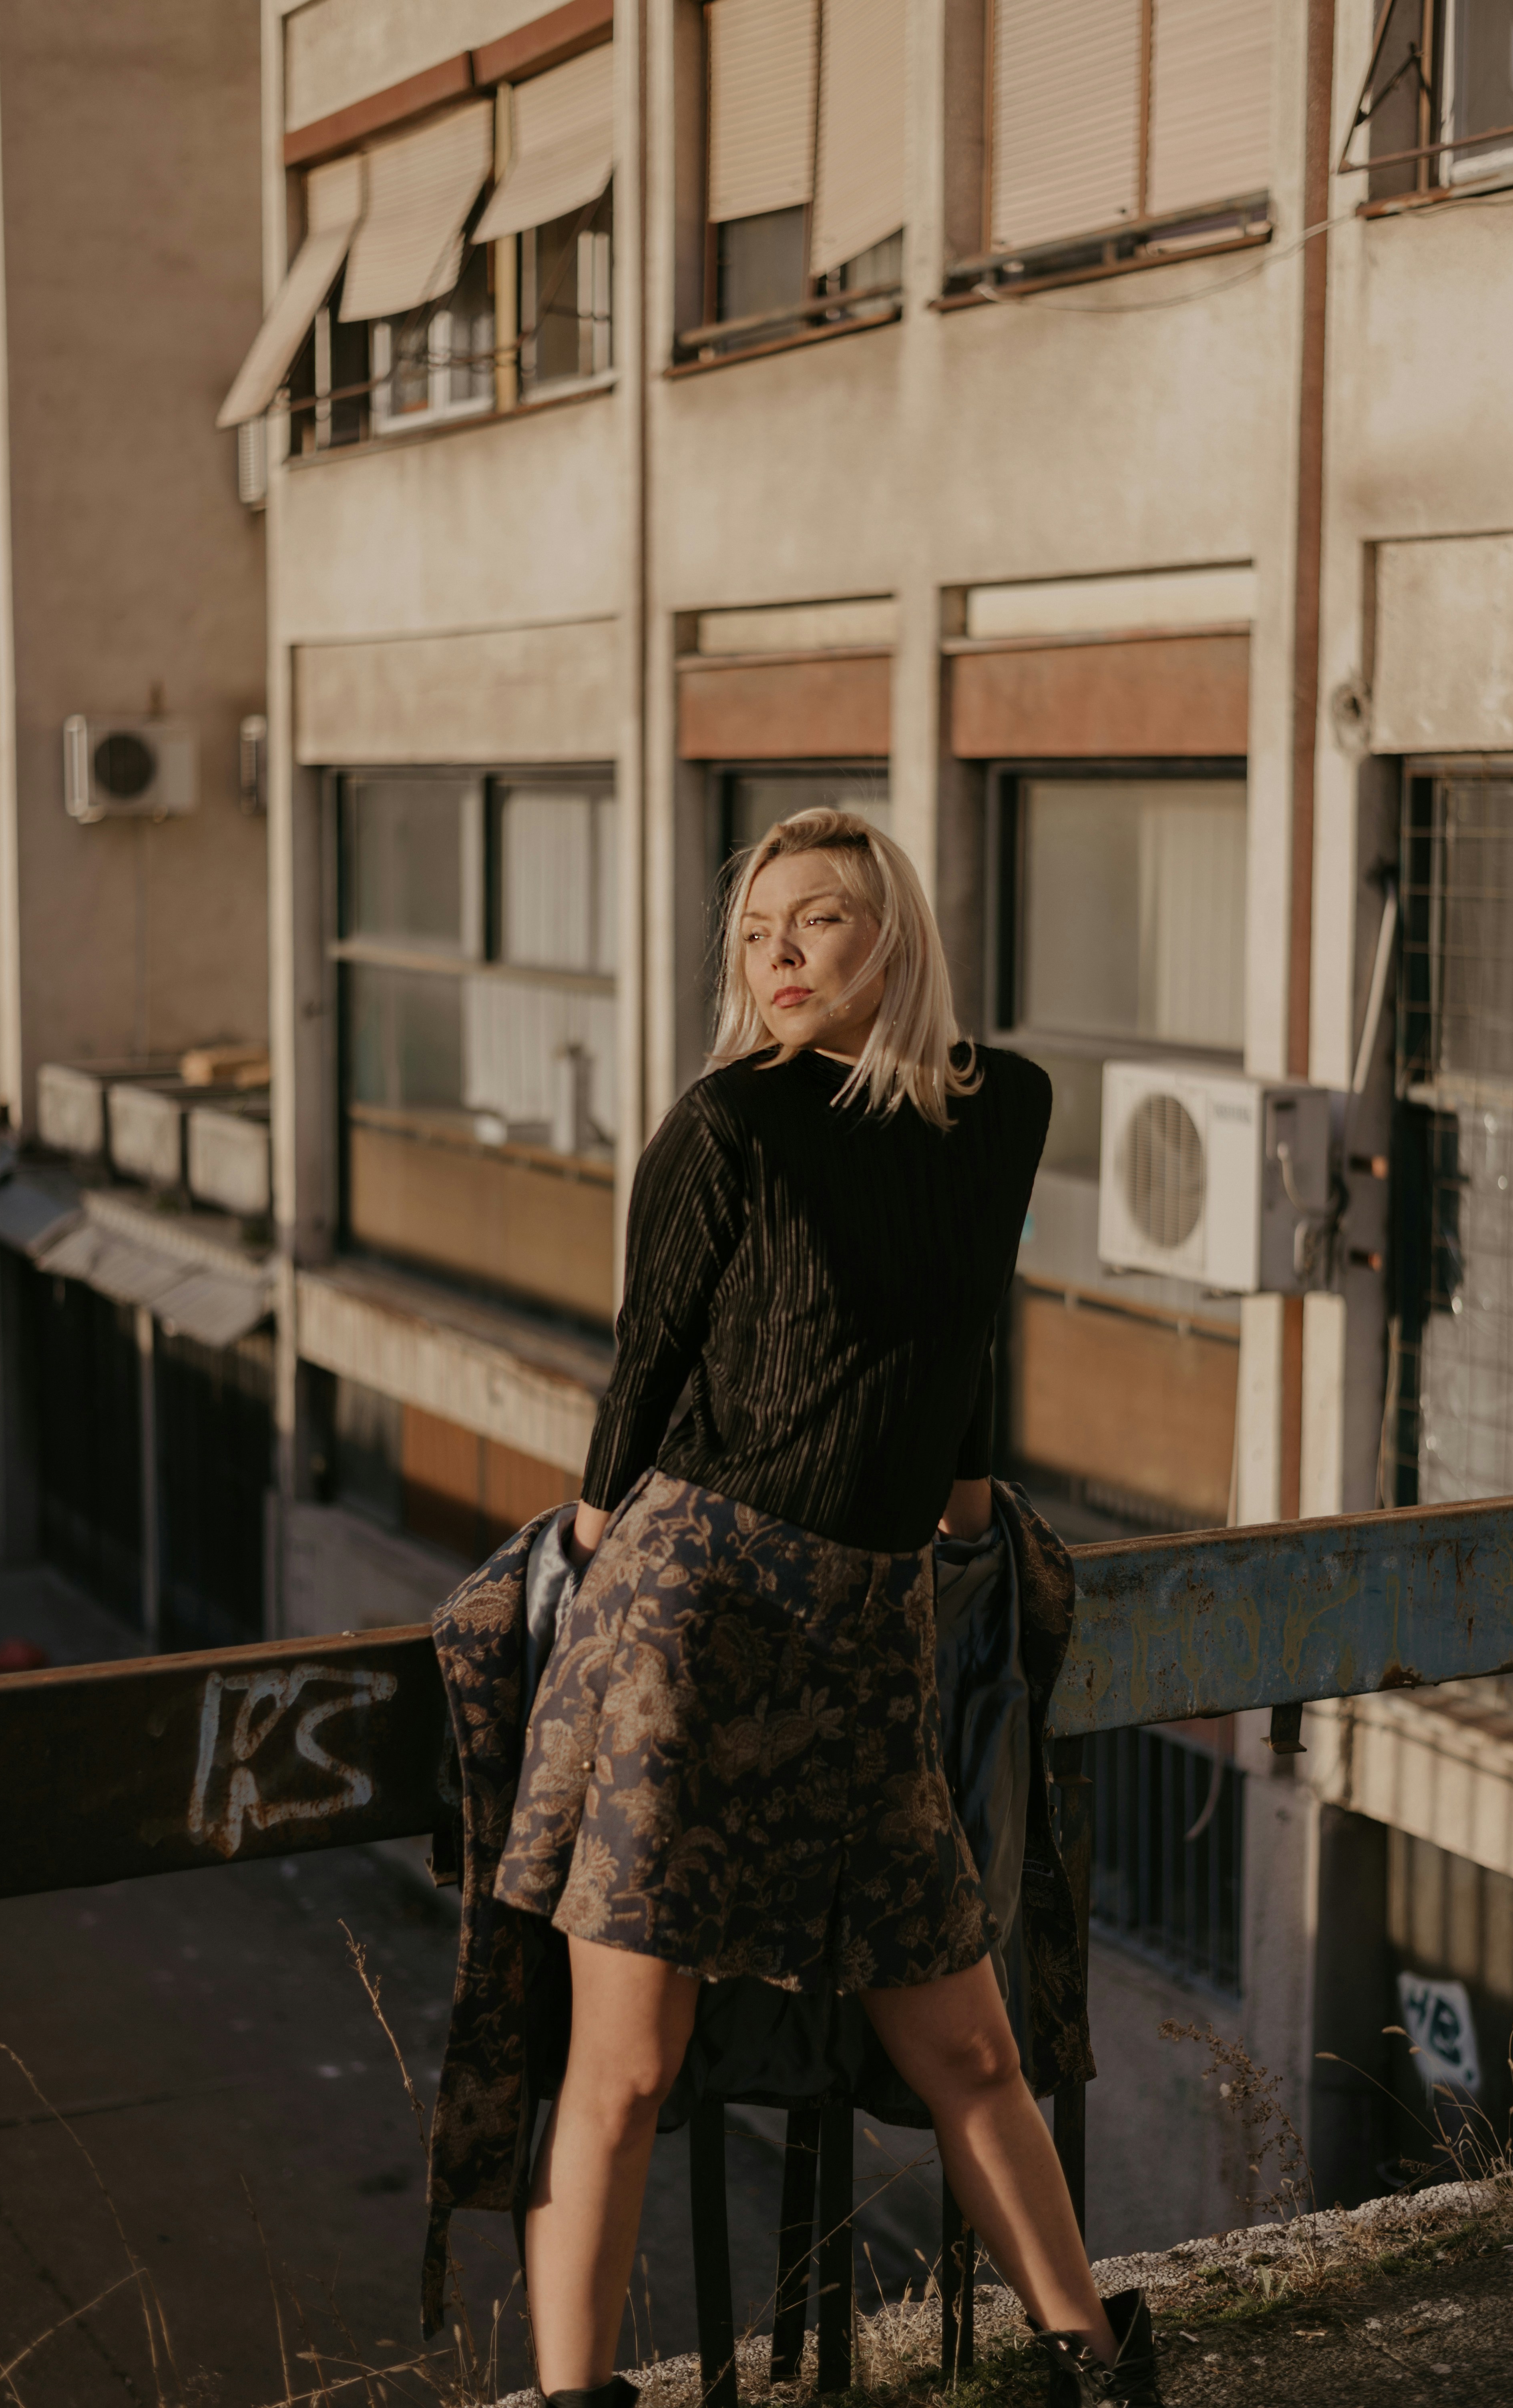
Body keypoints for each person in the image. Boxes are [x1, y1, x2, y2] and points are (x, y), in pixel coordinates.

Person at [495, 807, 1161, 2408]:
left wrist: (971, 1501)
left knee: (968, 2045)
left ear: (896, 942)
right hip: (693, 1613)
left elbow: (965, 1314)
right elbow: (642, 1363)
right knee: (631, 2066)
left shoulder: (1000, 1106)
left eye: (816, 925)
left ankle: (1093, 2366)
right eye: (754, 932)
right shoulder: (726, 1122)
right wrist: (589, 1546)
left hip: (870, 1626)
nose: (777, 959)